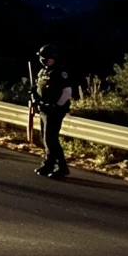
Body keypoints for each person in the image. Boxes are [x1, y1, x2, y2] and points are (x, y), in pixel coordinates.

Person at [31, 44, 73, 178]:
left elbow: (67, 92)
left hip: (54, 111)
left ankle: (62, 166)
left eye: (46, 58)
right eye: (42, 58)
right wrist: (34, 95)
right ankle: (48, 163)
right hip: (44, 109)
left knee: (51, 139)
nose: (43, 60)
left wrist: (57, 106)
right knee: (45, 138)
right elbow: (40, 88)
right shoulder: (43, 71)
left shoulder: (60, 72)